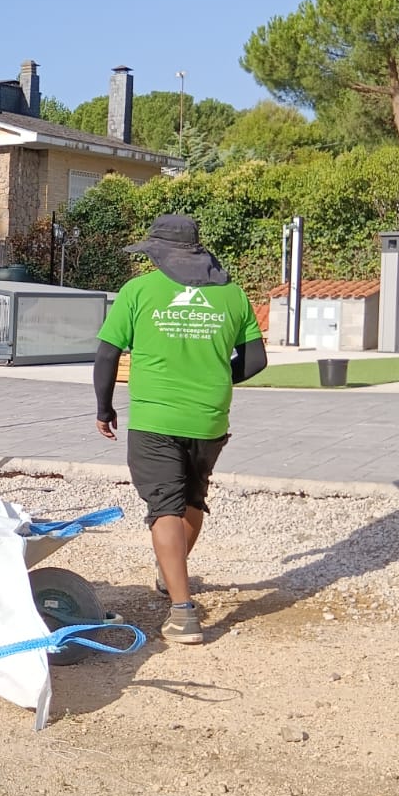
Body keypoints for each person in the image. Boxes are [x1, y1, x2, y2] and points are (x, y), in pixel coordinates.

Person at [93, 214, 268, 644]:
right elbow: (256, 361)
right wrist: (215, 379)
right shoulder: (232, 295)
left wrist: (104, 408)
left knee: (164, 506)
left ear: (157, 254)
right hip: (209, 418)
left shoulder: (138, 292)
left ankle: (183, 612)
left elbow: (106, 355)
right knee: (192, 497)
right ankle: (171, 575)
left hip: (156, 418)